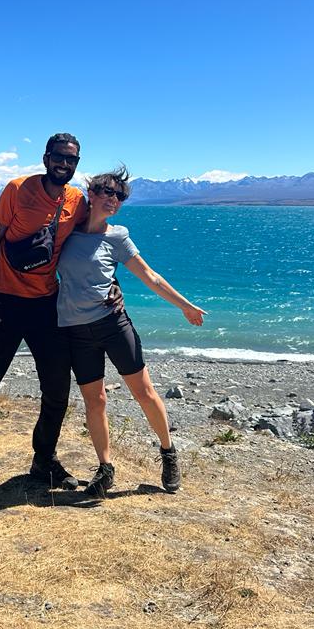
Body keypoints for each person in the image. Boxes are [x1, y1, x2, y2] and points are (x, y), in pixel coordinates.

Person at [0, 133, 91, 504]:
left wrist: (112, 284)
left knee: (57, 390)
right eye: (59, 157)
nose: (64, 164)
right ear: (45, 158)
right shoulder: (17, 190)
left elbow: (89, 246)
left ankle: (44, 462)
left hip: (47, 306)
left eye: (71, 159)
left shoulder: (77, 201)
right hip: (3, 303)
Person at [55, 166, 205, 497]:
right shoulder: (64, 232)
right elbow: (30, 236)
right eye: (107, 192)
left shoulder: (118, 236)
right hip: (75, 330)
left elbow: (149, 276)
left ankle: (168, 453)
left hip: (113, 324)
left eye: (119, 196)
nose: (113, 199)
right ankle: (105, 470)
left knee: (144, 393)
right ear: (90, 194)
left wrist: (185, 305)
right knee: (95, 401)